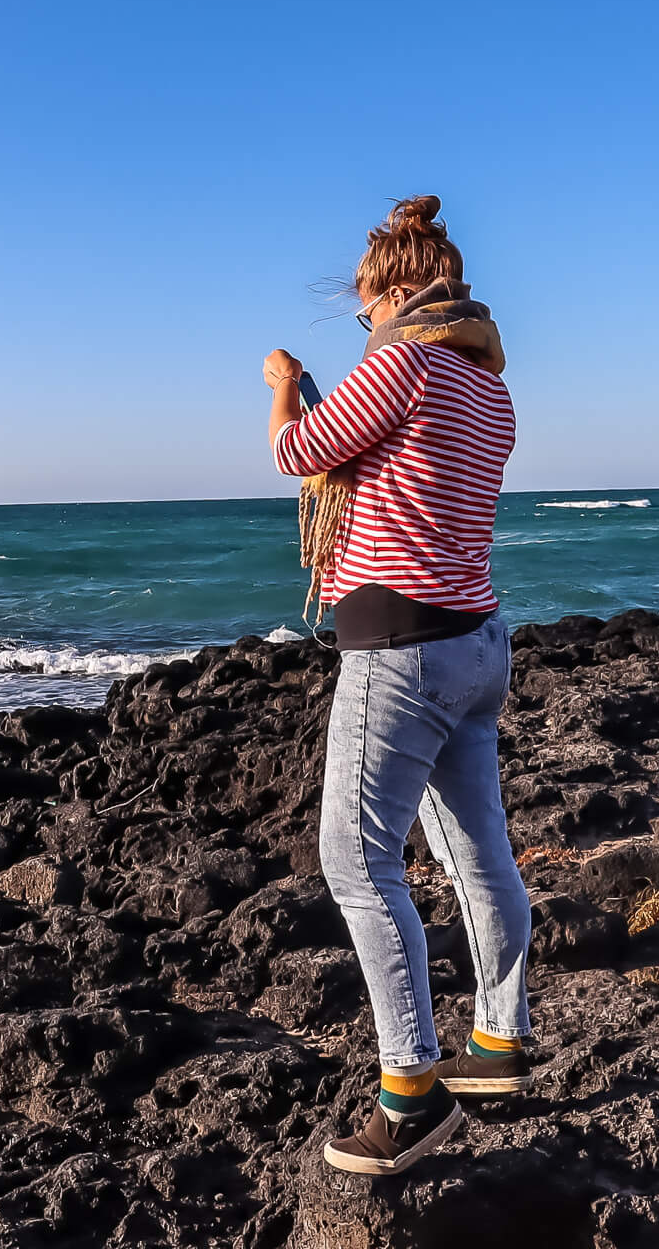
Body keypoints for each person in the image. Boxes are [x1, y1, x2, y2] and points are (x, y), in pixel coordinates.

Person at [263, 196, 531, 1176]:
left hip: (400, 652)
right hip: (475, 640)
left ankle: (408, 1095)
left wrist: (284, 390)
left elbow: (299, 452)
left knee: (354, 860)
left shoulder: (405, 359)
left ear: (391, 288)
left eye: (365, 302)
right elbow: (395, 464)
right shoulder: (484, 385)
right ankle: (497, 1048)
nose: (363, 318)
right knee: (476, 857)